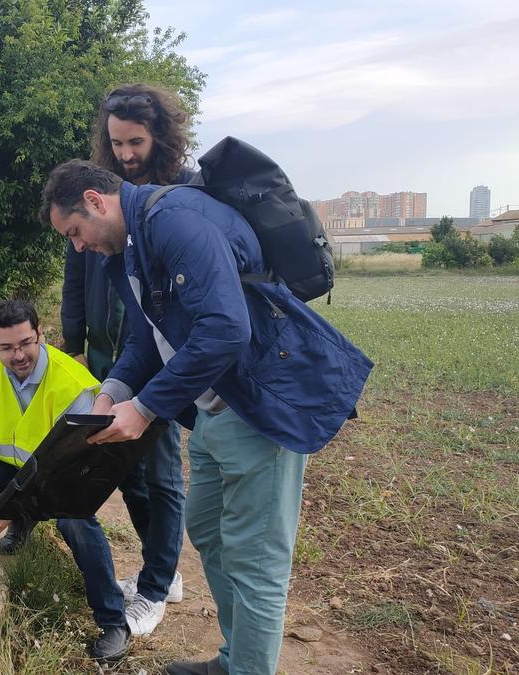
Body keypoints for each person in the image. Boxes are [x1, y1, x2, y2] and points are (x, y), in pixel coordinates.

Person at [40, 161, 372, 675]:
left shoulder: (174, 220)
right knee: (209, 528)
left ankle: (246, 669)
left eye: (75, 232)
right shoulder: (134, 245)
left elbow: (225, 329)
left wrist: (146, 409)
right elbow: (145, 337)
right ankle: (233, 659)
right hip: (214, 407)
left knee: (255, 557)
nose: (77, 247)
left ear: (96, 200)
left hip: (260, 406)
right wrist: (113, 392)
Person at [60, 83, 197, 636]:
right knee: (132, 473)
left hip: (160, 355)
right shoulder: (99, 196)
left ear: (160, 136)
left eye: (135, 142)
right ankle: (162, 570)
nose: (125, 154)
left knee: (162, 474)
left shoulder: (179, 197)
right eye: (115, 143)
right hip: (110, 356)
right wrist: (75, 339)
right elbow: (79, 273)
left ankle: (158, 586)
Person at [0, 299, 131, 663]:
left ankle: (113, 622)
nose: (18, 356)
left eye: (26, 343)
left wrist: (12, 508)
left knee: (76, 524)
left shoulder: (74, 385)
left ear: (40, 334)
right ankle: (24, 524)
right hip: (9, 464)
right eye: (7, 348)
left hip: (63, 476)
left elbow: (70, 473)